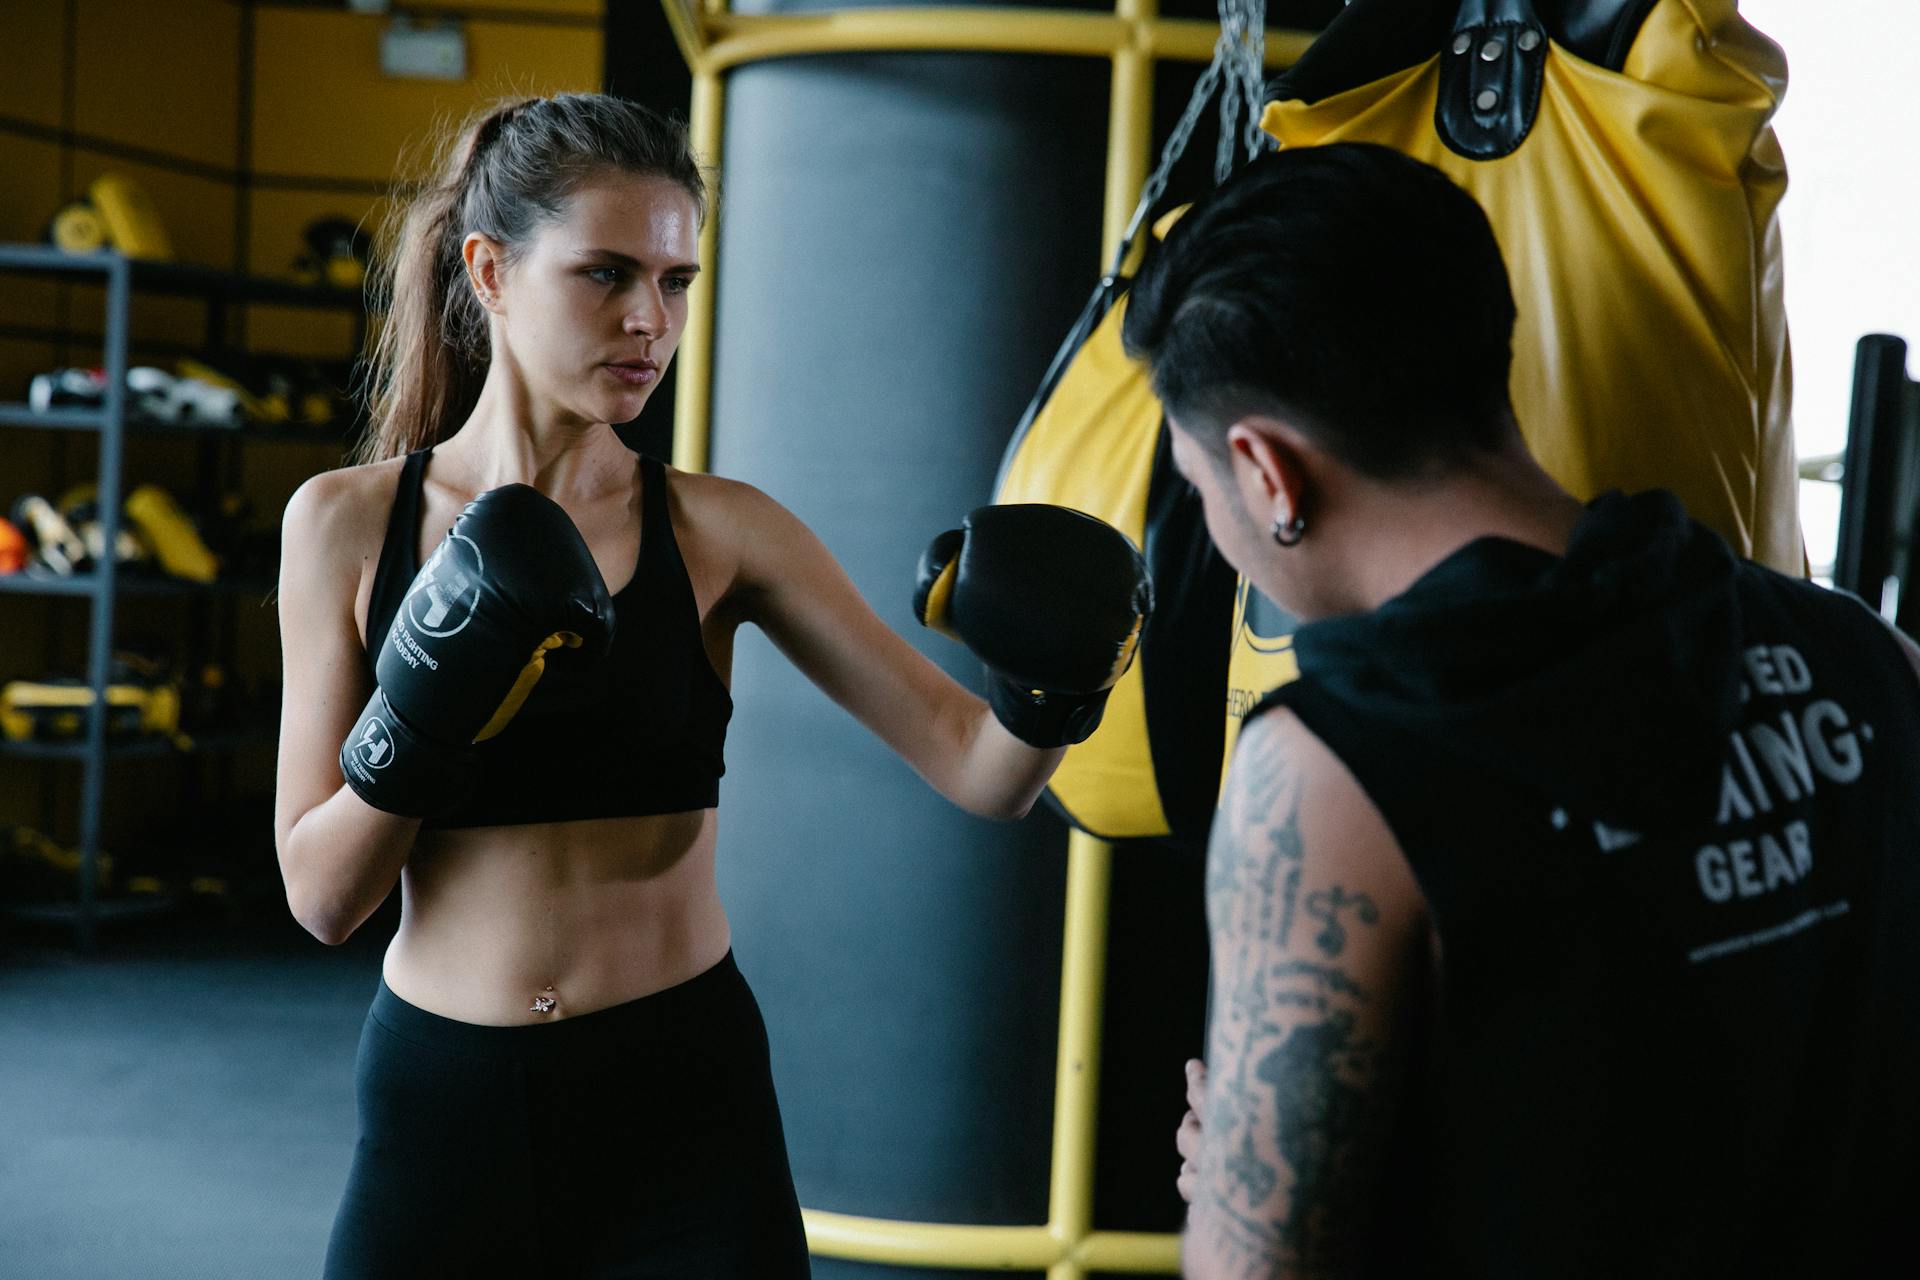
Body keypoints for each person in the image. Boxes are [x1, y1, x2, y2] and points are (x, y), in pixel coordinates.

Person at [273, 93, 1149, 1279]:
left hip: (679, 1102)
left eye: (677, 281)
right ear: (488, 269)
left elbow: (979, 765)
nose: (650, 320)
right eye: (605, 273)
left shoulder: (726, 532)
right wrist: (428, 703)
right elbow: (322, 894)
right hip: (447, 1102)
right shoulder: (344, 524)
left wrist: (1055, 685)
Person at [1123, 142, 1920, 1278]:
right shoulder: (1864, 652)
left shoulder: (1331, 771)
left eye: (1201, 490)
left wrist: (1243, 1185)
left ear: (1265, 471)